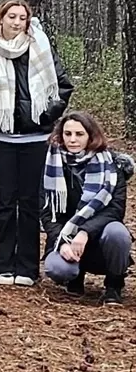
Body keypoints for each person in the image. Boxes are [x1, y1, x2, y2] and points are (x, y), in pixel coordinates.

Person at [0, 0, 74, 286]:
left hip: (35, 137)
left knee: (29, 202)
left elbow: (62, 87)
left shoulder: (40, 47)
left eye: (22, 18)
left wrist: (43, 117)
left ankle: (27, 267)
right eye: (11, 16)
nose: (17, 22)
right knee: (5, 201)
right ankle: (4, 264)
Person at [42, 112, 132, 305]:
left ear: (91, 136)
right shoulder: (52, 164)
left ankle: (114, 285)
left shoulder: (112, 166)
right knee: (57, 269)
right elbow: (47, 212)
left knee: (118, 232)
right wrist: (63, 241)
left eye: (79, 134)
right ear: (61, 135)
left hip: (100, 238)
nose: (72, 139)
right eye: (68, 134)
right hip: (66, 235)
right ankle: (74, 278)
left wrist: (84, 232)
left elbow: (115, 210)